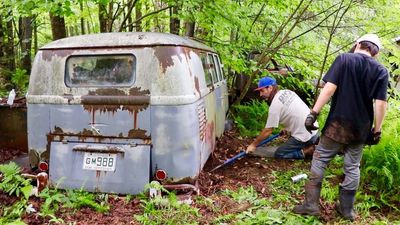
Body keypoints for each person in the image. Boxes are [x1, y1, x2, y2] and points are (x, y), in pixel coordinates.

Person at [293, 34, 389, 221]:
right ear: (375, 53)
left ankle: (311, 205)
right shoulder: (381, 70)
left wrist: (313, 113)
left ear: (358, 44)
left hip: (337, 125)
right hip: (360, 128)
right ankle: (346, 210)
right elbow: (380, 103)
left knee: (320, 161)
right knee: (353, 167)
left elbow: (329, 88)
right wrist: (377, 130)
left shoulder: (344, 59)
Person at [246, 76, 319, 159]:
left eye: (262, 90)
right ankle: (310, 144)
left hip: (305, 136)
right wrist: (287, 128)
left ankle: (307, 152)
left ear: (270, 88)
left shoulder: (274, 106)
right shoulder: (287, 92)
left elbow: (268, 130)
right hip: (315, 130)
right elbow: (294, 112)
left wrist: (253, 145)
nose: (261, 94)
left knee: (279, 154)